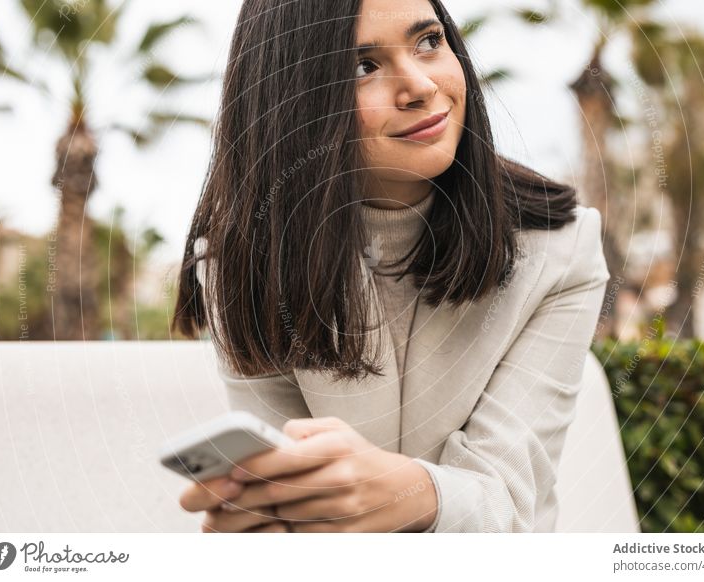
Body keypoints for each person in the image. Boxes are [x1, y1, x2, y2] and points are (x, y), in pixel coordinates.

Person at [172, 0, 610, 533]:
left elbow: (509, 505)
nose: (420, 86)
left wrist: (400, 493)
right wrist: (270, 522)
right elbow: (297, 500)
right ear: (292, 105)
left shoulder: (561, 249)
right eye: (363, 67)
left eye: (428, 41)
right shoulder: (241, 267)